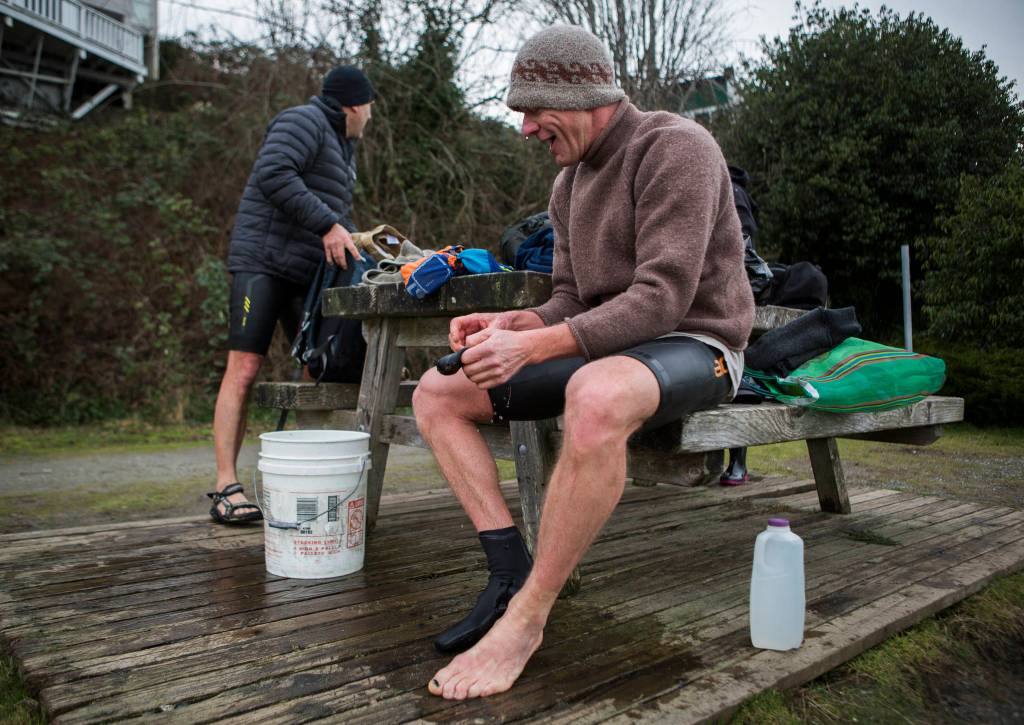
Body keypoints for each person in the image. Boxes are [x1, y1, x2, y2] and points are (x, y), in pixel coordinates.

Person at [412, 25, 755, 698]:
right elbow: (570, 299)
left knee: (594, 397)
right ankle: (508, 570)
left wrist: (535, 344)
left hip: (699, 344)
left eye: (532, 109)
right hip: (610, 348)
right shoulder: (568, 186)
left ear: (580, 93)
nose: (524, 128)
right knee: (435, 392)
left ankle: (528, 615)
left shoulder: (676, 148)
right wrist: (518, 322)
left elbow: (661, 299)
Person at [208, 66, 374, 524]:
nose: (370, 117)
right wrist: (328, 225)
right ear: (355, 105)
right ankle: (226, 485)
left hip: (307, 274)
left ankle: (307, 473)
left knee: (317, 365)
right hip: (261, 264)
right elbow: (274, 174)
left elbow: (334, 215)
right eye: (370, 108)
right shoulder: (301, 121)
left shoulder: (344, 150)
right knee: (244, 367)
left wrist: (366, 244)